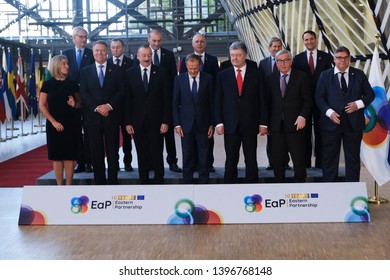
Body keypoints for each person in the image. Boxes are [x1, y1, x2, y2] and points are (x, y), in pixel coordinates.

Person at [315, 46, 375, 182]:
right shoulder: (325, 75)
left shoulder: (359, 75)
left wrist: (357, 104)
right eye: (339, 58)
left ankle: (352, 190)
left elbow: (370, 94)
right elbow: (319, 98)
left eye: (345, 57)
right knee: (329, 158)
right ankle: (329, 190)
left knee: (353, 158)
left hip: (353, 125)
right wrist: (329, 113)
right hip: (331, 124)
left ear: (349, 59)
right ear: (334, 60)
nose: (342, 60)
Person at [215, 41, 267, 184]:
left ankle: (252, 184)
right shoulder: (222, 75)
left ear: (245, 56)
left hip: (250, 123)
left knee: (251, 157)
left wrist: (264, 123)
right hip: (230, 124)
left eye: (238, 55)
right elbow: (217, 101)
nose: (234, 58)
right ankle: (229, 185)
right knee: (231, 157)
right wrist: (219, 122)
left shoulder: (256, 75)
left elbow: (262, 100)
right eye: (232, 55)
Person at [79, 40, 125, 185]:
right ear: (93, 52)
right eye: (97, 50)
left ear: (107, 52)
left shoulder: (117, 70)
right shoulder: (85, 71)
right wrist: (98, 108)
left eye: (102, 50)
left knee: (112, 152)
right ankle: (99, 182)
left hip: (111, 116)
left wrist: (108, 106)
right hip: (92, 118)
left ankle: (112, 181)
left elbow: (121, 91)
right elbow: (84, 93)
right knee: (96, 152)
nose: (100, 53)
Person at [125, 45, 171, 184]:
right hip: (137, 121)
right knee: (141, 153)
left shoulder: (162, 72)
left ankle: (159, 180)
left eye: (149, 55)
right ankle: (143, 181)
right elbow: (127, 100)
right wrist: (127, 122)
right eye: (143, 55)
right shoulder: (129, 73)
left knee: (157, 152)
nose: (146, 58)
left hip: (157, 122)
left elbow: (166, 99)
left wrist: (165, 121)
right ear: (137, 56)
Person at [266, 49, 312, 183]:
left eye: (285, 60)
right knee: (278, 160)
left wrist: (302, 116)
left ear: (291, 61)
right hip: (276, 127)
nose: (282, 63)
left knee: (298, 160)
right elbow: (266, 103)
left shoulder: (301, 77)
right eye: (279, 60)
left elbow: (308, 100)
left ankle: (299, 187)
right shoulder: (270, 78)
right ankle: (279, 186)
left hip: (296, 125)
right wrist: (266, 123)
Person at [293, 30, 333, 168]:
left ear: (316, 40)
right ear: (303, 42)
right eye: (306, 40)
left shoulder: (326, 57)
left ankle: (320, 163)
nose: (309, 42)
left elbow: (330, 80)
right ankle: (305, 164)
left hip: (322, 101)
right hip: (304, 102)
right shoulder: (297, 59)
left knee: (321, 132)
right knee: (304, 134)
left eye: (311, 39)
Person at [180, 33, 220, 172]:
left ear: (205, 43)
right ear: (192, 44)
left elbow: (216, 82)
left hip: (205, 106)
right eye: (196, 41)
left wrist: (213, 121)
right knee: (190, 146)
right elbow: (182, 82)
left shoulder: (213, 60)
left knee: (206, 142)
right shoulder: (185, 60)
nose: (199, 43)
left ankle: (208, 164)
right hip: (190, 109)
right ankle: (194, 165)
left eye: (202, 41)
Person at [38, 55, 81, 185]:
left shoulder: (73, 83)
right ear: (57, 66)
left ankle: (68, 186)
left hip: (71, 123)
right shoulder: (47, 84)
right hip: (54, 124)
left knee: (69, 157)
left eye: (67, 63)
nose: (67, 66)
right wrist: (53, 121)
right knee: (56, 157)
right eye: (64, 64)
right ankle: (59, 187)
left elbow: (80, 103)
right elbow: (42, 105)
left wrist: (74, 104)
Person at [173, 54, 214, 184]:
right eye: (190, 68)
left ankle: (204, 182)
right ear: (186, 66)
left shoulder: (208, 79)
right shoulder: (179, 80)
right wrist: (177, 124)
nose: (193, 71)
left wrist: (212, 124)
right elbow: (174, 103)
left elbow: (213, 103)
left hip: (204, 124)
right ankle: (187, 182)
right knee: (187, 155)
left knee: (204, 155)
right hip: (185, 125)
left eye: (196, 68)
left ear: (200, 66)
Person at [148, 29, 182, 173]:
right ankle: (153, 163)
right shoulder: (144, 54)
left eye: (159, 41)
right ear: (148, 39)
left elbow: (174, 78)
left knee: (169, 136)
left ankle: (172, 162)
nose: (156, 43)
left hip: (166, 101)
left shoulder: (168, 55)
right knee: (152, 136)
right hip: (149, 104)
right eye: (154, 41)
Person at [63, 26, 95, 173]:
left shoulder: (91, 53)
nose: (84, 39)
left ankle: (89, 161)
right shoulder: (66, 54)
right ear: (74, 38)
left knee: (89, 131)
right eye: (81, 37)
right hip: (72, 100)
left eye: (85, 37)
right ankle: (80, 161)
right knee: (75, 131)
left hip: (89, 99)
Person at [258, 37, 291, 171]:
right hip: (270, 105)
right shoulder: (263, 63)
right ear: (269, 48)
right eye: (274, 46)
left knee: (286, 137)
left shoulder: (287, 62)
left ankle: (285, 162)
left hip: (286, 105)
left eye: (279, 46)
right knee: (272, 137)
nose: (276, 48)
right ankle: (272, 162)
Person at [109, 38, 134, 172]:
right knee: (112, 138)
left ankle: (128, 162)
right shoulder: (106, 63)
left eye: (118, 47)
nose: (115, 50)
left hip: (126, 106)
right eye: (113, 47)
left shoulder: (131, 63)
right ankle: (114, 163)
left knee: (127, 137)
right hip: (111, 107)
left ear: (123, 48)